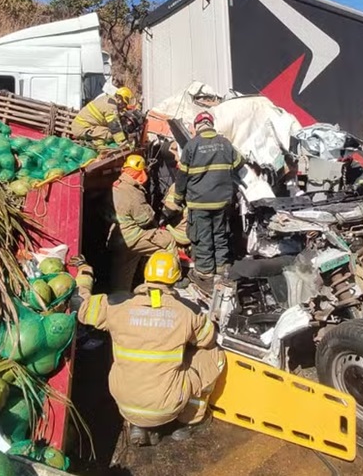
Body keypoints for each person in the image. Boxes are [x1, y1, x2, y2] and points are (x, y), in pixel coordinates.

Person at [75, 250, 225, 446]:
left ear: (146, 275)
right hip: (166, 407)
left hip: (124, 403)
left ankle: (138, 425)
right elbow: (208, 340)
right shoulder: (187, 311)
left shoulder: (117, 304)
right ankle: (187, 422)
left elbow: (81, 305)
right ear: (176, 278)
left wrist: (84, 271)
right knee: (215, 354)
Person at [172, 111, 242, 287]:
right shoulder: (225, 143)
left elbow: (182, 176)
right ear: (211, 124)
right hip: (221, 202)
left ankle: (205, 275)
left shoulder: (191, 146)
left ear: (197, 127)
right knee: (220, 235)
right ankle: (222, 270)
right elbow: (239, 163)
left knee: (202, 238)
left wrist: (178, 198)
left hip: (199, 202)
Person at [110, 154, 175, 290]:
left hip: (118, 237)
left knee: (126, 269)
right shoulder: (132, 192)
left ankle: (122, 294)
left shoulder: (118, 185)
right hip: (133, 237)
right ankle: (164, 286)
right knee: (168, 241)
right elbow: (145, 219)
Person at [70, 87, 136, 147]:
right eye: (124, 103)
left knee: (108, 132)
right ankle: (96, 146)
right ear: (119, 99)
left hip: (82, 125)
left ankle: (98, 145)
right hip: (82, 128)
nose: (124, 106)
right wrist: (123, 143)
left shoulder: (109, 99)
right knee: (110, 135)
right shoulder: (111, 107)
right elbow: (115, 128)